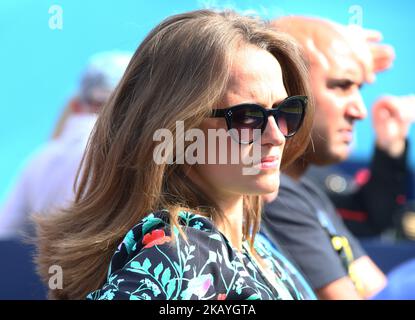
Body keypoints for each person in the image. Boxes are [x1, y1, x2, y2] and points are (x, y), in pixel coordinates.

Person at [34, 9, 316, 300]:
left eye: (286, 112)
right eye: (246, 117)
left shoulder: (249, 246)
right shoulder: (180, 253)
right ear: (178, 130)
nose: (276, 135)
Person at [261, 16, 414, 300]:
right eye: (341, 85)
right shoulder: (270, 192)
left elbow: (369, 219)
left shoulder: (301, 186)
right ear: (287, 90)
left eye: (359, 89)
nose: (360, 111)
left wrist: (391, 144)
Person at [0, 51, 132, 239]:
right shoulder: (122, 154)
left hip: (47, 264)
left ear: (77, 106)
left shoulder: (39, 159)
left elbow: (5, 232)